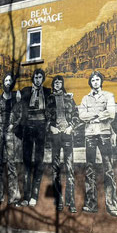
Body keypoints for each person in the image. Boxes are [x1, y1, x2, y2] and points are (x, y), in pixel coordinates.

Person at [79, 71, 117, 217]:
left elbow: (111, 113)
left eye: (98, 79)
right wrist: (97, 116)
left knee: (108, 168)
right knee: (90, 168)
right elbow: (81, 115)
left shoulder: (109, 95)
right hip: (89, 134)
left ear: (101, 81)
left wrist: (94, 118)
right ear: (90, 82)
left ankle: (112, 205)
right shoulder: (85, 98)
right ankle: (91, 204)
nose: (95, 82)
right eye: (93, 80)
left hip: (104, 134)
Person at [46, 75, 79, 213]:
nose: (58, 84)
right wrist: (50, 127)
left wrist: (71, 126)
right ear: (53, 85)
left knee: (70, 168)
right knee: (56, 169)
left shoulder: (69, 98)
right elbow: (45, 116)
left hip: (67, 134)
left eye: (60, 82)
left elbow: (77, 115)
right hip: (55, 135)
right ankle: (58, 200)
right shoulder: (49, 99)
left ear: (62, 84)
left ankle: (71, 201)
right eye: (56, 82)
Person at [19, 68, 50, 207]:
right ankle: (26, 196)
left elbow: (62, 96)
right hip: (28, 127)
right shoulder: (26, 91)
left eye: (40, 77)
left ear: (43, 79)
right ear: (33, 78)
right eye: (36, 77)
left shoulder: (48, 92)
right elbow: (15, 97)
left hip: (41, 128)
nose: (38, 80)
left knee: (39, 160)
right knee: (26, 161)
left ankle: (34, 195)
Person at [0, 73, 22, 205]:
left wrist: (12, 125)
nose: (8, 82)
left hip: (10, 134)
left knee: (11, 165)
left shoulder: (16, 99)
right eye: (6, 80)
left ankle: (13, 197)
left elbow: (19, 115)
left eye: (10, 80)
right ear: (3, 83)